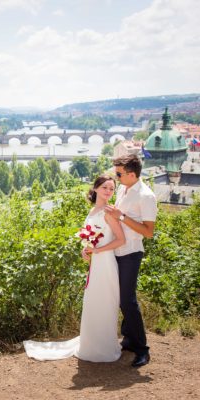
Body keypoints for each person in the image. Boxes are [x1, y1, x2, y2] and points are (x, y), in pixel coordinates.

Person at [24, 175, 125, 362]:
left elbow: (121, 240)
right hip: (95, 264)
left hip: (107, 264)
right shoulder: (93, 210)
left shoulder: (110, 212)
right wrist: (85, 251)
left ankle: (104, 347)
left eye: (111, 188)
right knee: (92, 302)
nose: (108, 192)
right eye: (105, 187)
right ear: (95, 189)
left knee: (105, 302)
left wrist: (98, 249)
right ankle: (92, 344)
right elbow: (90, 239)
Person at [104, 154, 157, 368]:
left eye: (118, 174)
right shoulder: (122, 188)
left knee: (128, 300)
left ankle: (142, 349)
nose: (115, 177)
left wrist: (122, 217)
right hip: (116, 251)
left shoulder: (146, 196)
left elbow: (149, 232)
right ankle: (128, 338)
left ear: (132, 174)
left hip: (131, 252)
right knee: (120, 298)